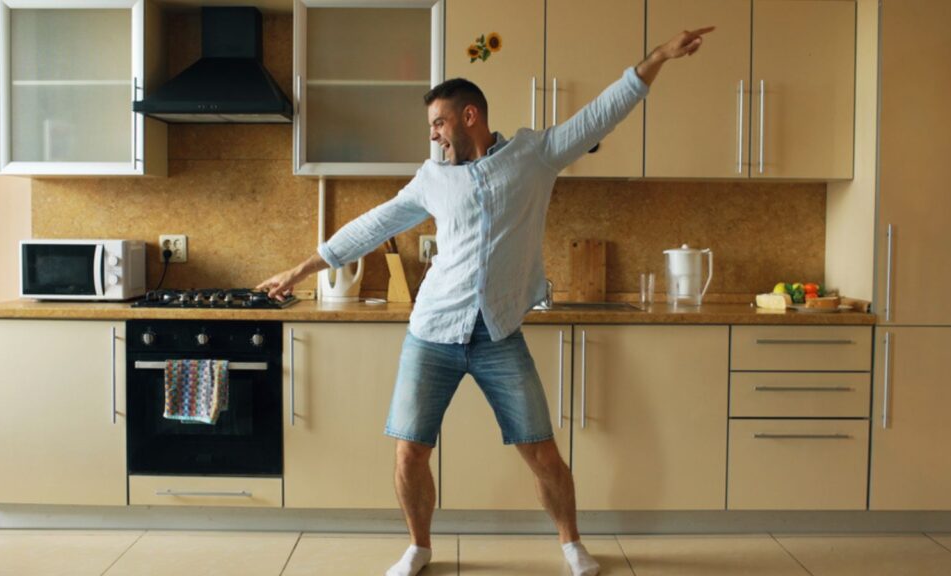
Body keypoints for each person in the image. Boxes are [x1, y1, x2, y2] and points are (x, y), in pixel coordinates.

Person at [257, 26, 714, 576]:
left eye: (438, 124)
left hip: (498, 334)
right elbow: (374, 224)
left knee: (542, 453)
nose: (434, 137)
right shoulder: (431, 179)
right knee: (409, 451)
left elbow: (601, 113)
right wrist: (303, 267)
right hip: (432, 332)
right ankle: (419, 547)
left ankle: (572, 545)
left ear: (469, 116)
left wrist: (659, 57)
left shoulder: (534, 155)